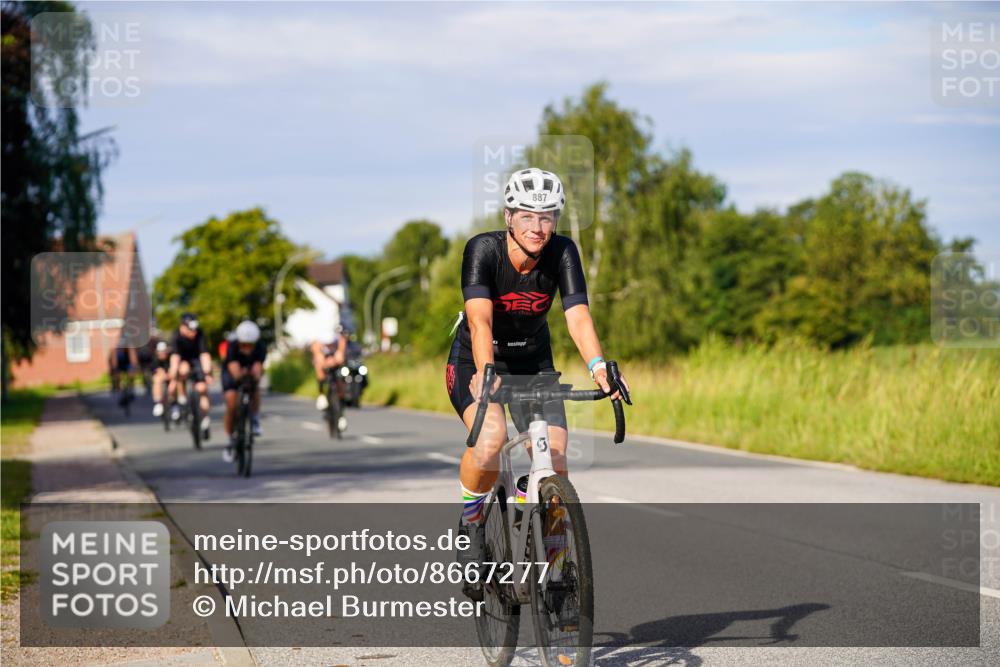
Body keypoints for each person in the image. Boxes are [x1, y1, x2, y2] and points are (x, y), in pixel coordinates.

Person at [447, 167, 629, 591]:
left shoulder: (563, 252)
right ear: (509, 216)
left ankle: (555, 563)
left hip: (533, 363)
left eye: (547, 217)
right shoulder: (483, 250)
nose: (538, 227)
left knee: (555, 457)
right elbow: (479, 320)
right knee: (490, 438)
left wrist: (599, 366)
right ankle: (472, 523)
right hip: (479, 359)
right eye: (527, 216)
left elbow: (577, 316)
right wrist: (486, 371)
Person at [221, 320, 266, 463]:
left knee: (255, 387)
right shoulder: (232, 346)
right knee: (232, 404)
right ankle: (230, 438)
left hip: (250, 369)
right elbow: (233, 367)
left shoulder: (260, 347)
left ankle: (255, 418)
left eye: (250, 345)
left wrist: (254, 378)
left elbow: (258, 367)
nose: (247, 348)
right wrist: (241, 377)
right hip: (232, 373)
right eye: (244, 345)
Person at [168, 312, 213, 437]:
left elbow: (204, 354)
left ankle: (205, 419)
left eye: (194, 329)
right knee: (182, 371)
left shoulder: (200, 333)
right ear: (183, 327)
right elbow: (175, 357)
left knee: (202, 388)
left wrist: (207, 372)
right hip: (183, 361)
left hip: (197, 360)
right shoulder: (176, 336)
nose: (193, 332)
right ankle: (182, 398)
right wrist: (173, 371)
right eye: (190, 329)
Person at [310, 325, 348, 432]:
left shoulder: (340, 340)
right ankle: (321, 394)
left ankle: (341, 415)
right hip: (324, 364)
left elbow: (341, 356)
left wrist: (336, 359)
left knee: (341, 382)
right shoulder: (317, 343)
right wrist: (324, 363)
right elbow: (318, 358)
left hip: (336, 364)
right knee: (319, 371)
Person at [151, 340, 172, 417]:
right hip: (161, 377)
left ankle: (175, 403)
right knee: (156, 379)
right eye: (160, 352)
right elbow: (154, 370)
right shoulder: (155, 359)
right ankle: (158, 402)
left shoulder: (171, 357)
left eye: (164, 351)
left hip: (172, 378)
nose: (162, 353)